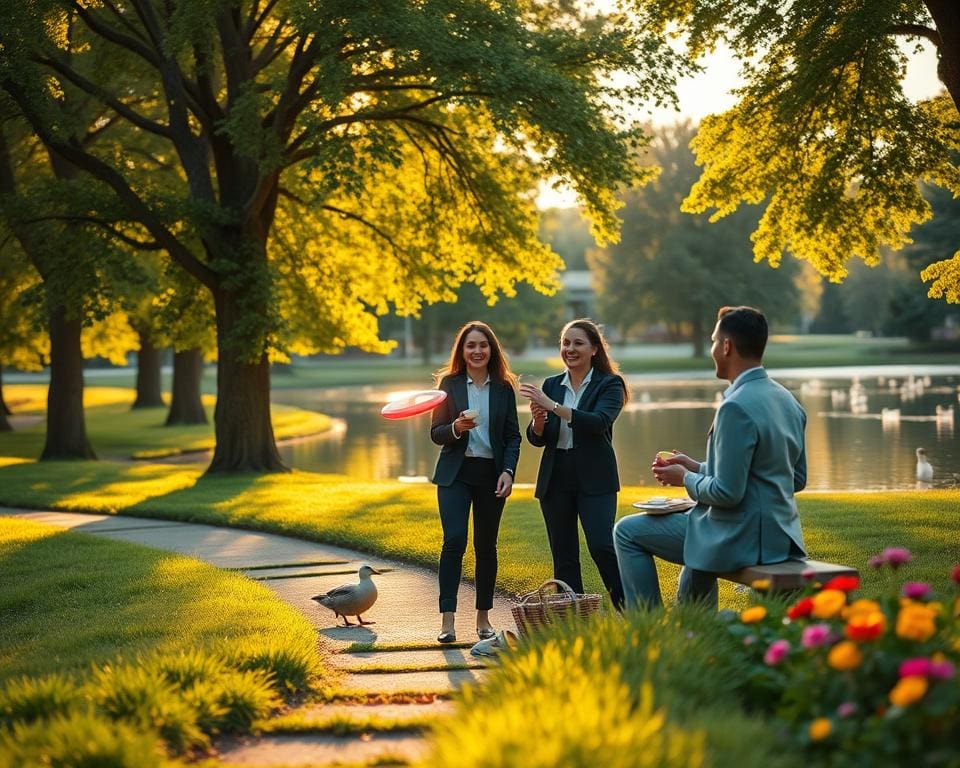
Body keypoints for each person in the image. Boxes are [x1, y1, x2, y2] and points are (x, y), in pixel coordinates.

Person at [613, 305, 807, 609]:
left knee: (626, 531)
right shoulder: (787, 400)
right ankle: (698, 631)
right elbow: (793, 477)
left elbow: (728, 493)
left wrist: (685, 478)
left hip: (741, 537)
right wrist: (698, 466)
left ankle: (648, 630)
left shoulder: (736, 407)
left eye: (715, 341)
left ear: (727, 346)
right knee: (696, 549)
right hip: (781, 536)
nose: (712, 349)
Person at [519, 319, 627, 610]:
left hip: (596, 477)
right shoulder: (552, 385)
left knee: (602, 546)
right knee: (563, 555)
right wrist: (539, 424)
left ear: (594, 348)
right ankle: (573, 621)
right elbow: (538, 439)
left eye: (578, 343)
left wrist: (552, 406)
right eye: (566, 343)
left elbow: (597, 423)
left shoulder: (610, 384)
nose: (570, 349)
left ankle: (630, 610)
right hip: (556, 477)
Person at [431, 321, 521, 644]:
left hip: (491, 476)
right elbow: (436, 432)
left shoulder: (503, 388)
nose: (478, 351)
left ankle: (483, 618)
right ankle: (447, 621)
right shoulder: (449, 384)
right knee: (454, 540)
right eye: (471, 345)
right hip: (455, 474)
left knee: (486, 547)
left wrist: (508, 471)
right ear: (462, 350)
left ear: (491, 350)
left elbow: (513, 437)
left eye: (483, 345)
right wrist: (455, 427)